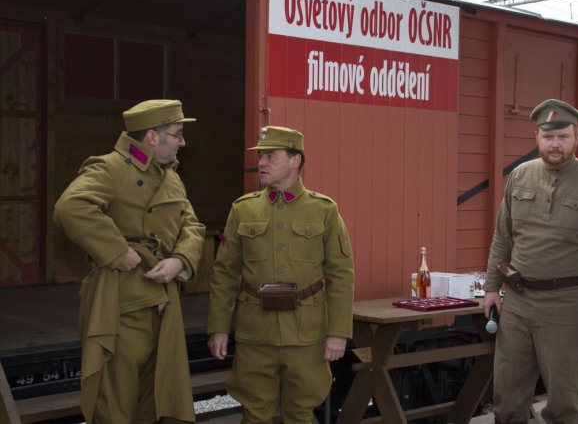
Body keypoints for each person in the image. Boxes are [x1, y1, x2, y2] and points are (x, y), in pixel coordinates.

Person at [53, 99, 205, 424]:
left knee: (154, 398)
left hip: (164, 303)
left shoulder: (170, 177)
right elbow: (71, 206)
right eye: (177, 134)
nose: (183, 142)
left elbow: (192, 225)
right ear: (153, 137)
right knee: (115, 402)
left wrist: (180, 260)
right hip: (121, 302)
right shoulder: (111, 167)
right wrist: (117, 251)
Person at [483, 99, 578, 424]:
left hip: (568, 309)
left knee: (564, 407)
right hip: (519, 305)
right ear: (536, 136)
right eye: (548, 137)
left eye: (563, 136)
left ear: (577, 137)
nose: (555, 144)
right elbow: (503, 238)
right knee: (507, 404)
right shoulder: (520, 176)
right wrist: (492, 288)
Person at [207, 125, 355, 424]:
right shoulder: (243, 209)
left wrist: (338, 333)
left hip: (306, 335)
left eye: (270, 156)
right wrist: (218, 327)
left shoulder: (323, 210)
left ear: (295, 161)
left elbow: (341, 275)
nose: (261, 163)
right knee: (255, 413)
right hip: (255, 333)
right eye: (261, 156)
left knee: (300, 413)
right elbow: (224, 274)